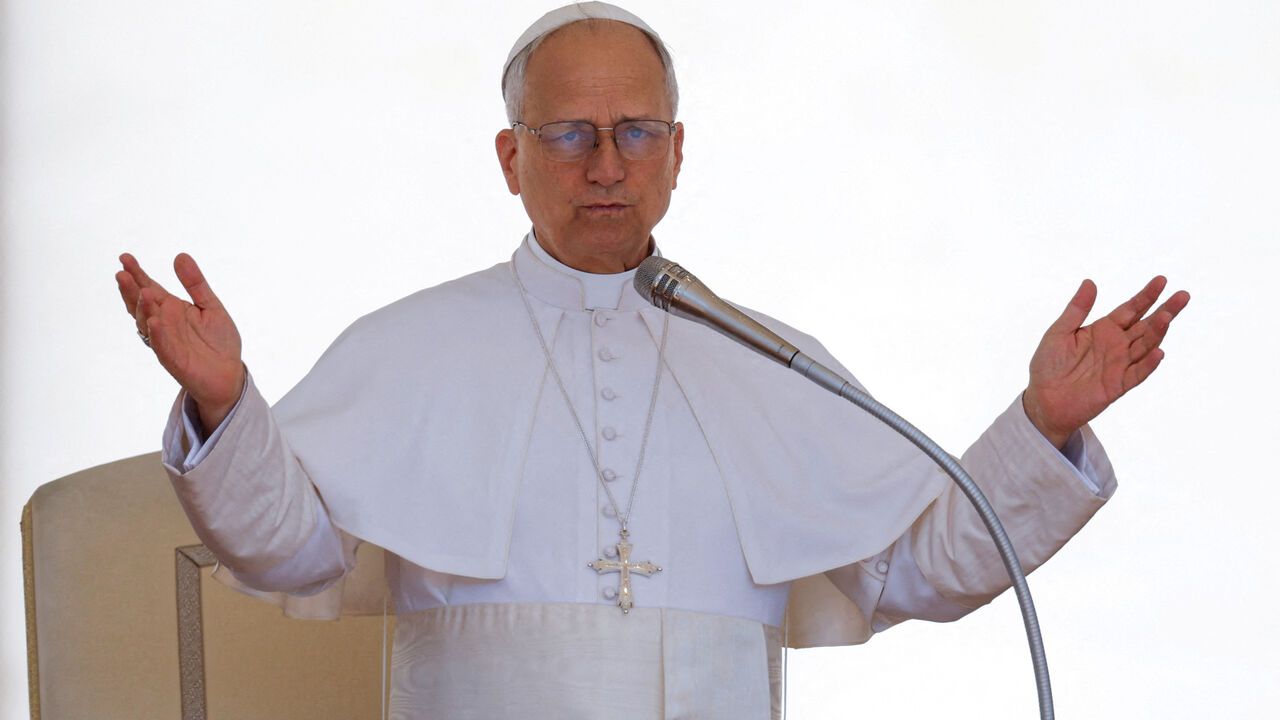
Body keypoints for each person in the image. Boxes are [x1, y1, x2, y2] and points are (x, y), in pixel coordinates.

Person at [115, 3, 1189, 718]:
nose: (606, 165)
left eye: (635, 131)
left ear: (677, 155)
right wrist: (224, 406)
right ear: (510, 157)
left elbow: (913, 567)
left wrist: (1040, 426)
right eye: (570, 135)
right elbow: (291, 553)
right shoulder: (408, 348)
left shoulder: (770, 360)